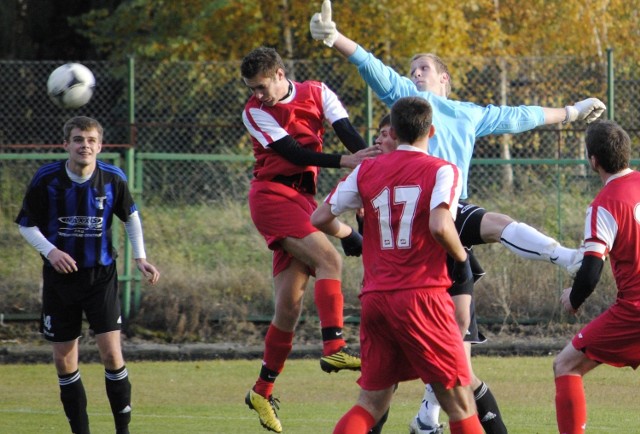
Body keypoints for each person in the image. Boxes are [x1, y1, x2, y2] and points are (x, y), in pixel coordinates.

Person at [309, 2, 606, 432]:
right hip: (434, 227)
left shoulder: (468, 114)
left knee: (459, 333)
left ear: (445, 78)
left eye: (424, 68)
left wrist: (572, 113)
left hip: (419, 250)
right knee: (495, 226)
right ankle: (567, 257)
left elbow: (518, 117)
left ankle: (428, 416)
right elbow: (374, 68)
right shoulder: (411, 105)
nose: (414, 74)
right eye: (410, 70)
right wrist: (335, 39)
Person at [311, 96, 483, 434]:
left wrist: (348, 234)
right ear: (430, 131)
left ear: (396, 131)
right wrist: (461, 259)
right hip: (422, 296)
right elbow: (439, 226)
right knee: (460, 402)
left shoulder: (366, 170)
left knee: (371, 404)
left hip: (376, 299)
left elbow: (319, 217)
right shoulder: (442, 169)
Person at [240, 46, 382, 433]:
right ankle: (334, 347)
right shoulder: (253, 112)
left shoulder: (319, 92)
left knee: (288, 308)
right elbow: (292, 152)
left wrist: (377, 165)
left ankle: (261, 390)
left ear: (281, 73)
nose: (258, 94)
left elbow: (349, 135)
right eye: (253, 88)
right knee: (330, 262)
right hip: (271, 196)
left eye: (263, 86)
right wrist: (346, 163)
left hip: (302, 198)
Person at [15, 116, 161, 434]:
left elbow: (131, 217)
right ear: (65, 144)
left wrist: (140, 258)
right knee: (65, 361)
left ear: (100, 145)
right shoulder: (47, 179)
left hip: (100, 277)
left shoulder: (112, 178)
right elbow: (26, 223)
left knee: (111, 353)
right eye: (78, 139)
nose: (85, 145)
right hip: (60, 280)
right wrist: (51, 252)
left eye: (91, 140)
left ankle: (122, 431)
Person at [553, 120, 640, 434]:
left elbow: (591, 270)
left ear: (593, 161)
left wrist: (573, 299)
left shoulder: (604, 204)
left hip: (635, 311)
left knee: (565, 365)